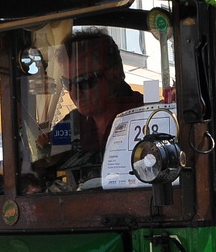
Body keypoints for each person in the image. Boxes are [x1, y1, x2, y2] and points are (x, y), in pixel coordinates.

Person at [41, 29, 144, 186]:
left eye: (84, 81)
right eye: (68, 83)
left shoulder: (147, 116)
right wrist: (43, 152)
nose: (74, 93)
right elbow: (42, 167)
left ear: (115, 74)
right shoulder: (73, 123)